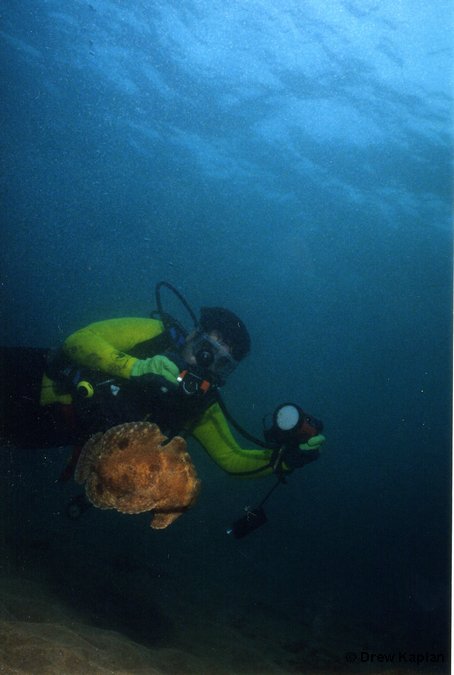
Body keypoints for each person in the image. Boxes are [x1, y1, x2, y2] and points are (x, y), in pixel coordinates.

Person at [1, 288, 325, 483]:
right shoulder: (155, 335)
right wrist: (136, 367)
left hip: (42, 432)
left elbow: (231, 457)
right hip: (28, 375)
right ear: (193, 335)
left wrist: (284, 461)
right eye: (206, 350)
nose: (206, 363)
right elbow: (79, 341)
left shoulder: (200, 403)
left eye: (221, 362)